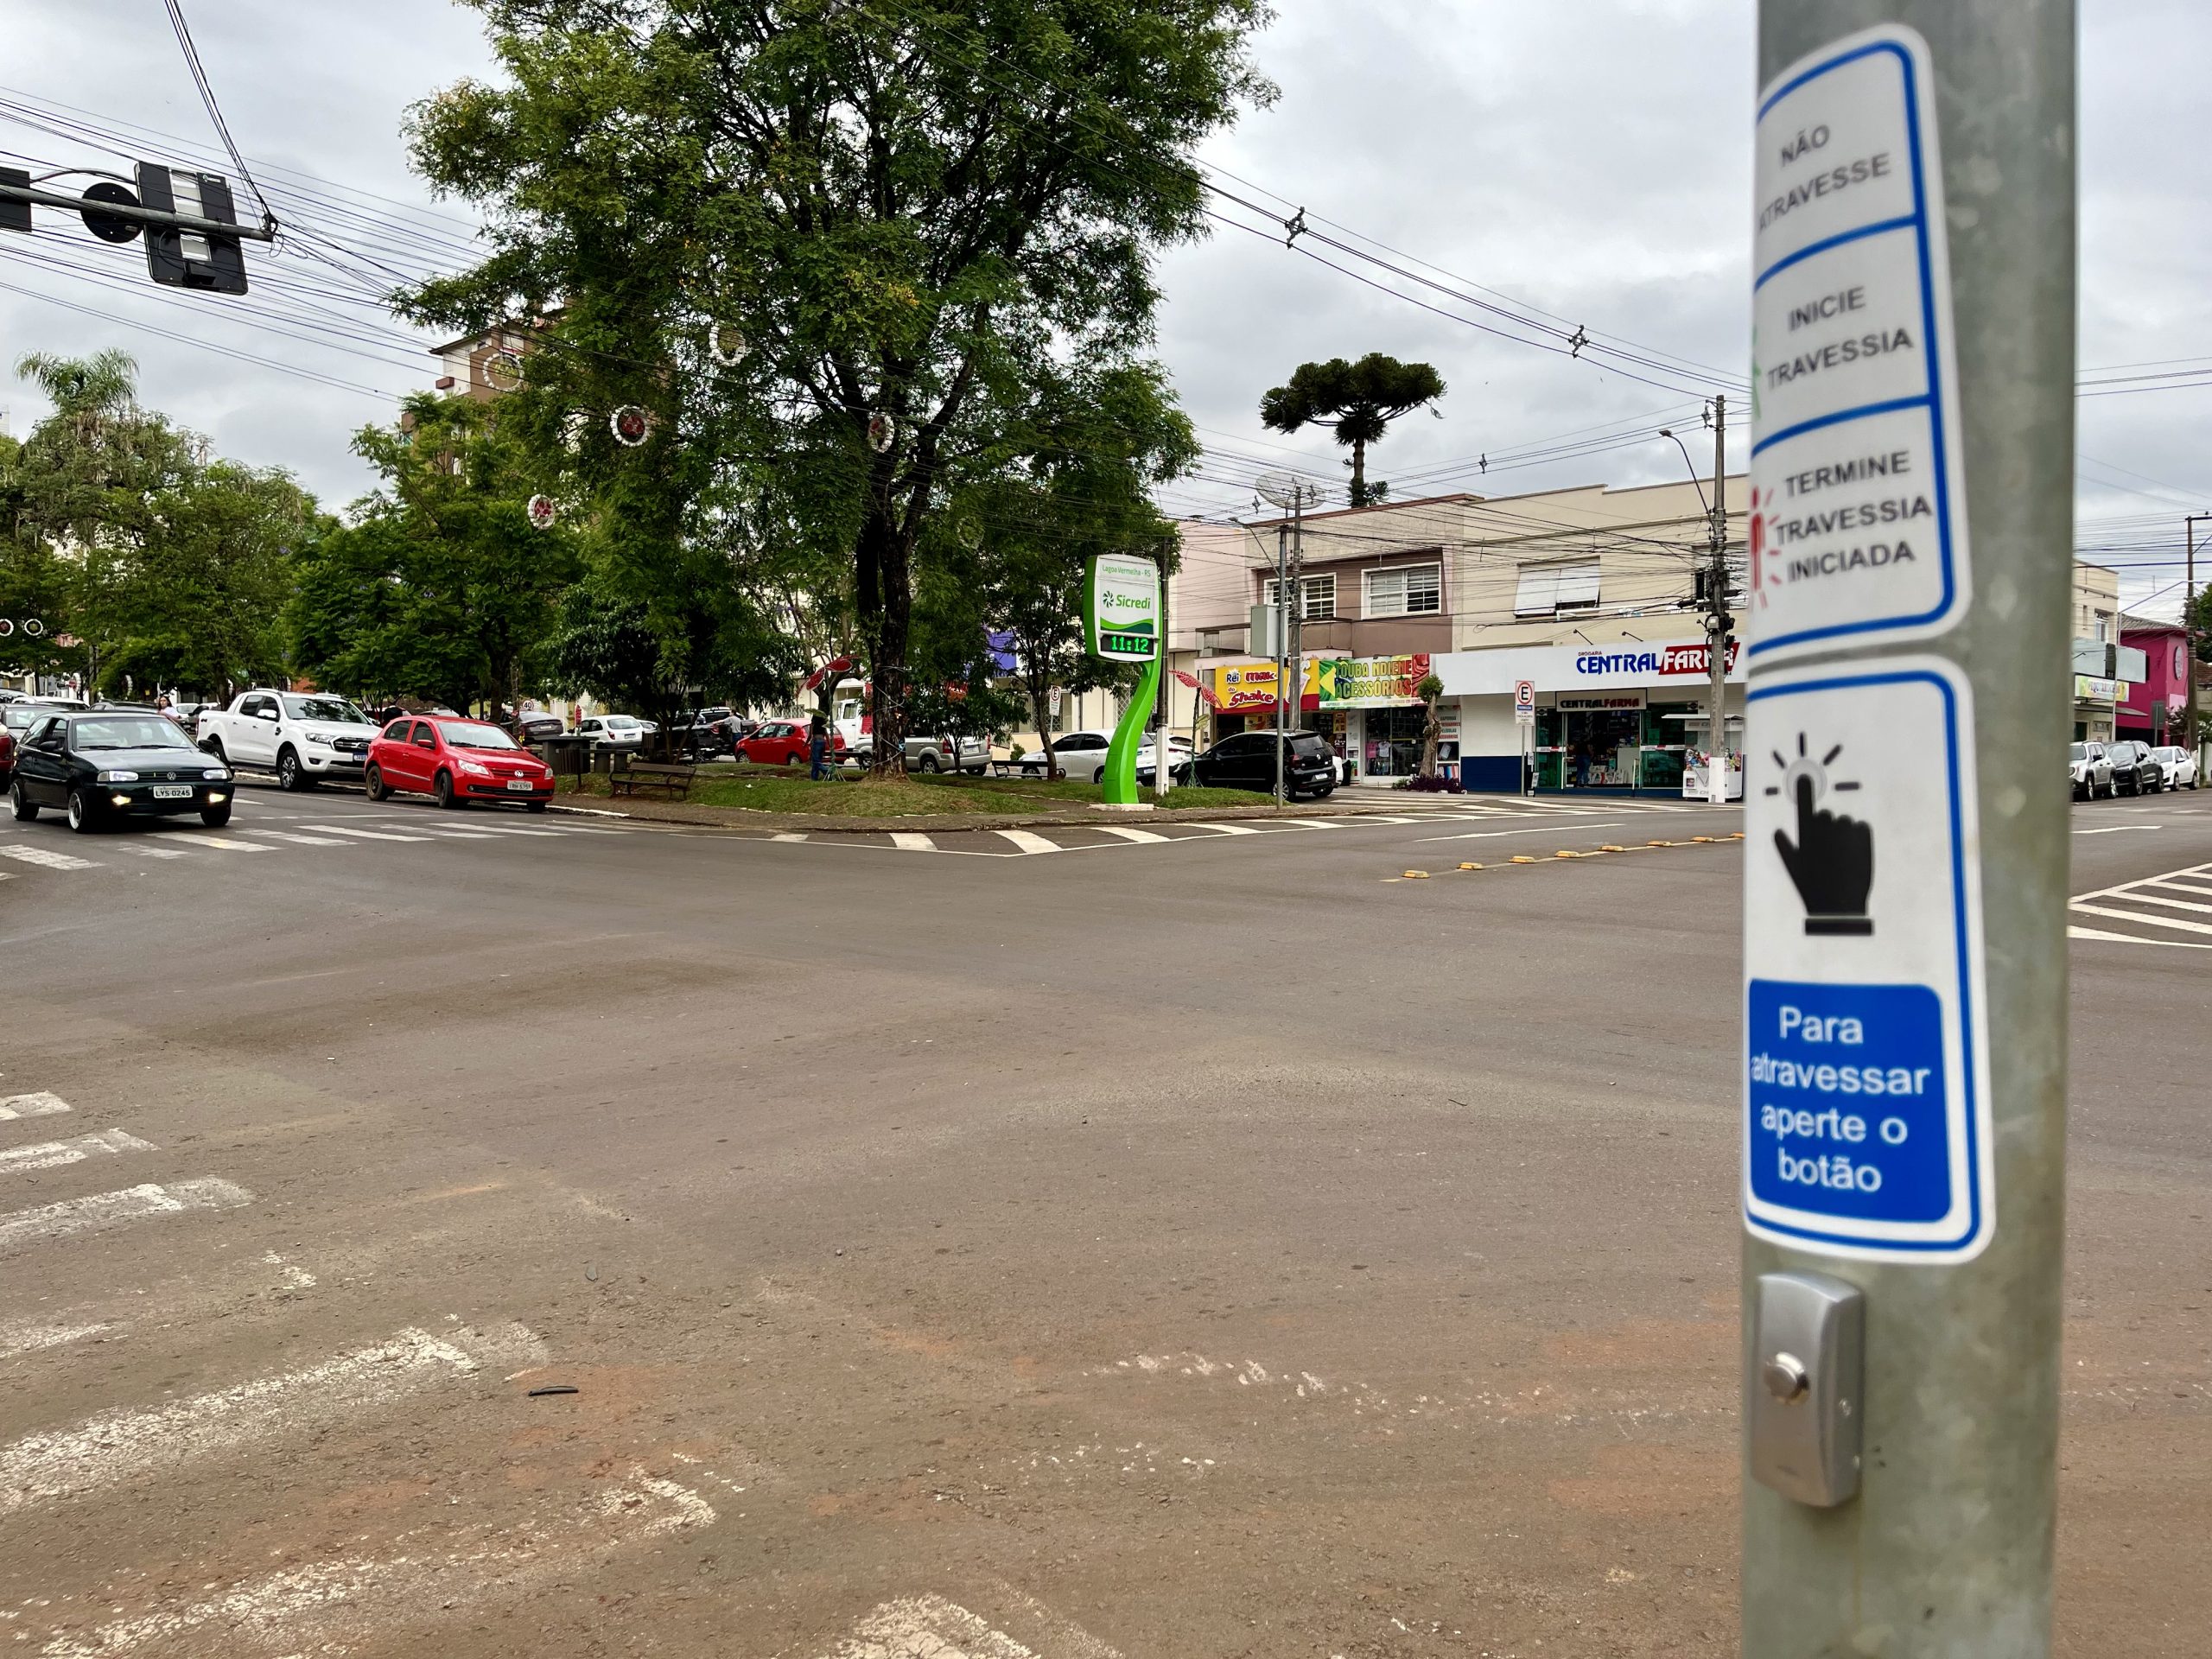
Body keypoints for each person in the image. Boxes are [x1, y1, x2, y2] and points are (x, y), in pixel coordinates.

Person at [808, 715, 830, 780]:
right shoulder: (823, 726)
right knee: (818, 760)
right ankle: (814, 778)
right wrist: (830, 745)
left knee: (815, 761)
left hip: (816, 742)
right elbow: (827, 736)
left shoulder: (812, 725)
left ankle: (826, 770)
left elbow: (810, 736)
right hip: (823, 743)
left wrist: (806, 744)